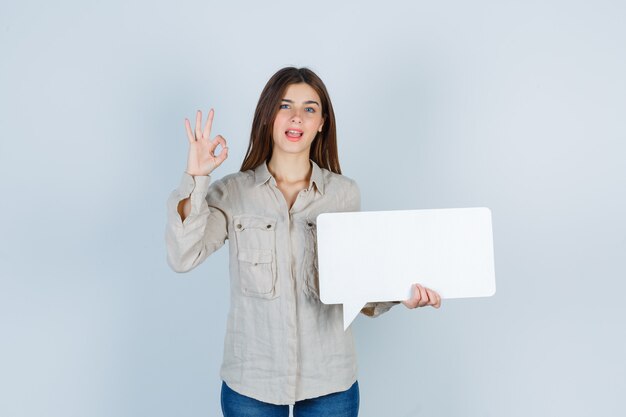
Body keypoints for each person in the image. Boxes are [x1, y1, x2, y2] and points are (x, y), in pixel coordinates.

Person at [165, 67, 442, 417]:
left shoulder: (343, 194)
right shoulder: (232, 193)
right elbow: (183, 255)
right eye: (285, 105)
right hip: (252, 383)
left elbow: (358, 286)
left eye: (309, 108)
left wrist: (402, 293)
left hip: (330, 382)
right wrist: (197, 177)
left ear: (322, 121)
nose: (297, 117)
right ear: (268, 115)